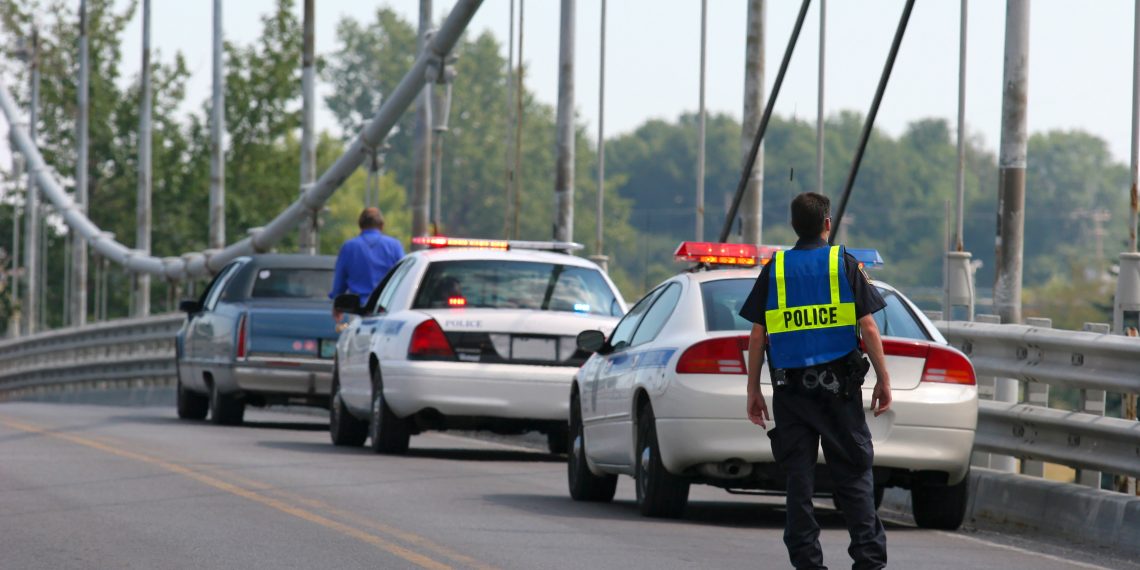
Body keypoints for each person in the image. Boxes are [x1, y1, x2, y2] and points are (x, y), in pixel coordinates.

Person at [738, 192, 892, 570]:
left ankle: (808, 563)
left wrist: (753, 388)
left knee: (799, 482)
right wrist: (884, 380)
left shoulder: (775, 268)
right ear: (828, 224)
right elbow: (868, 327)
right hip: (839, 393)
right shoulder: (843, 263)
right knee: (855, 476)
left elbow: (758, 335)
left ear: (794, 226)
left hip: (790, 392)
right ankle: (868, 561)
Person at [329, 207, 405, 308]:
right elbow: (403, 277)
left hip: (359, 308)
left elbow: (340, 282)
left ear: (360, 225)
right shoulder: (395, 246)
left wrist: (337, 303)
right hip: (388, 307)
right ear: (382, 225)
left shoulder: (349, 247)